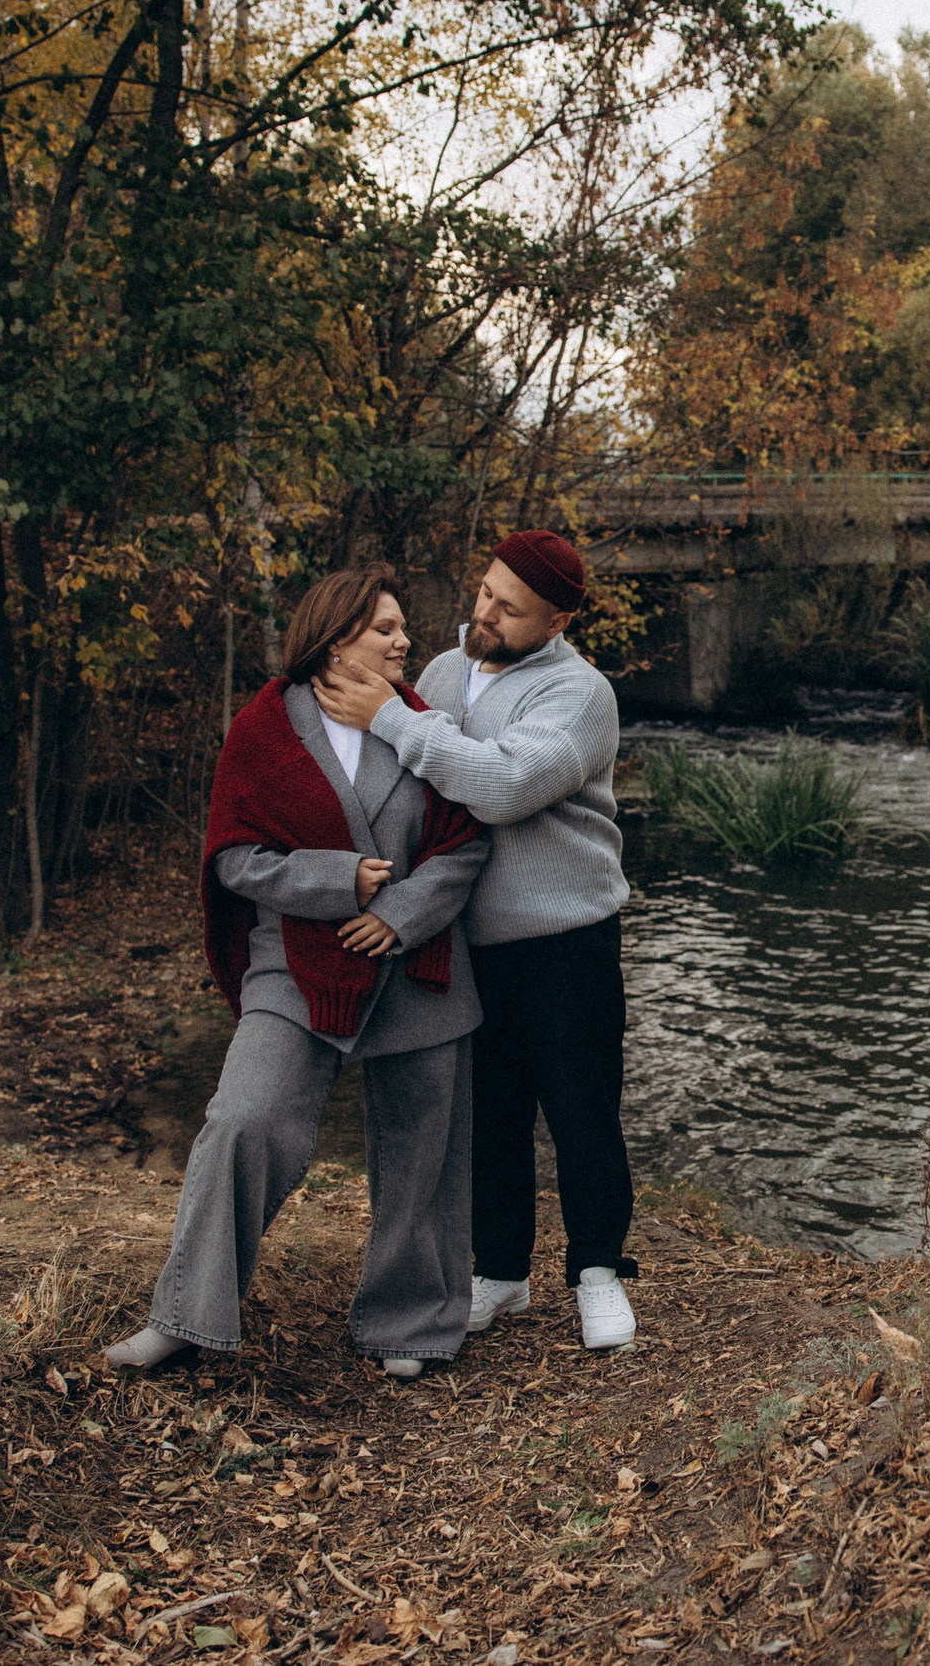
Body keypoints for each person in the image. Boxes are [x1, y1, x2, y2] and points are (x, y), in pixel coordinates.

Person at [105, 566, 489, 1380]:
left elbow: (466, 845)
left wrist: (398, 914)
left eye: (401, 628)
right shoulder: (264, 730)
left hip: (416, 961)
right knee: (245, 1119)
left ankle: (409, 1323)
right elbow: (234, 857)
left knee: (424, 1147)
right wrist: (335, 878)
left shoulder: (424, 725)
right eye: (385, 628)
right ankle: (185, 1314)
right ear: (336, 636)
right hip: (297, 961)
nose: (403, 641)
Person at [314, 529, 636, 1350]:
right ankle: (502, 1270)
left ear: (558, 618)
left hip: (567, 936)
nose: (484, 610)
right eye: (487, 590)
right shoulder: (443, 673)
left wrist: (389, 716)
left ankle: (598, 1270)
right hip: (465, 937)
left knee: (580, 1106)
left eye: (510, 606)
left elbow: (501, 785)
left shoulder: (581, 694)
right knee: (487, 1113)